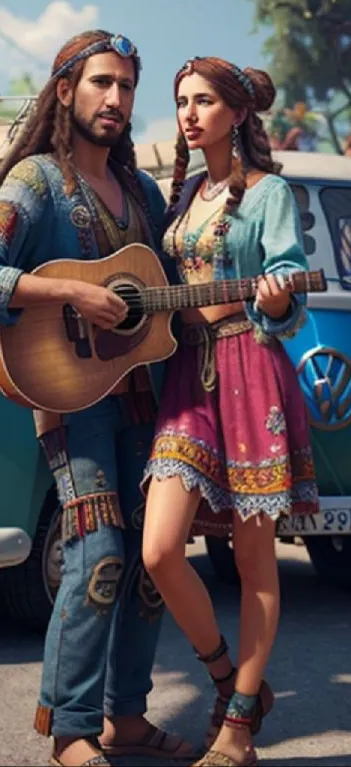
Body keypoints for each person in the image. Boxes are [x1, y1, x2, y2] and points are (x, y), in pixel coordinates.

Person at [0, 30, 193, 767]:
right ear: (66, 91)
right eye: (101, 83)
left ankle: (125, 715)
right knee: (99, 556)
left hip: (142, 399)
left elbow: (168, 298)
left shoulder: (144, 194)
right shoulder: (32, 182)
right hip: (70, 402)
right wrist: (68, 293)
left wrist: (255, 296)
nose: (116, 99)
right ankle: (70, 726)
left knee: (155, 565)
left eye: (125, 86)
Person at [141, 57, 319, 767]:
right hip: (187, 373)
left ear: (237, 113)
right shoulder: (182, 196)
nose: (188, 113)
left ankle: (237, 728)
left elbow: (287, 275)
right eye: (181, 100)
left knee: (252, 558)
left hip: (249, 367)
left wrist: (275, 296)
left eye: (204, 100)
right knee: (159, 549)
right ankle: (229, 678)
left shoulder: (268, 191)